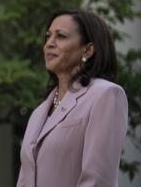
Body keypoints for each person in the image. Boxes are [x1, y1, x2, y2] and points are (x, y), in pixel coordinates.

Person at [17, 9, 128, 187]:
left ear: (88, 49)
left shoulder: (105, 95)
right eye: (48, 36)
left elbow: (98, 181)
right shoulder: (39, 113)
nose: (49, 44)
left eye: (60, 36)